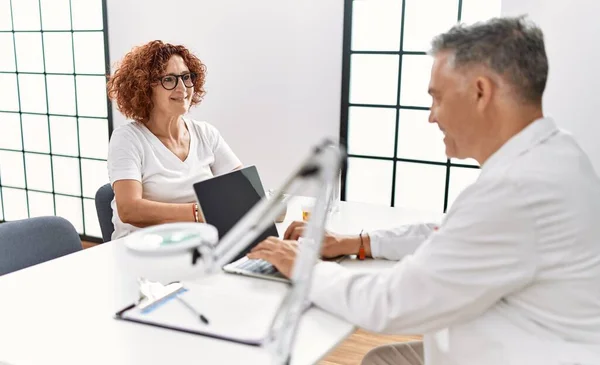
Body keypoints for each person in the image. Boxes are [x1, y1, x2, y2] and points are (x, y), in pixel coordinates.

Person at [248, 16, 600, 365]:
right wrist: (358, 242)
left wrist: (302, 264)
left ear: (481, 91)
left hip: (528, 352)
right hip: (528, 339)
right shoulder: (556, 154)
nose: (432, 116)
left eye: (438, 98)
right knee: (381, 360)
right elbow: (447, 233)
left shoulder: (518, 189)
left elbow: (389, 304)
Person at [106, 41, 241, 240]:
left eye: (186, 77)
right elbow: (129, 209)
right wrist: (198, 213)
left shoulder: (206, 133)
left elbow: (241, 190)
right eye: (169, 79)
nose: (182, 88)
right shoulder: (127, 139)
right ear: (145, 88)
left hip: (197, 245)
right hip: (141, 252)